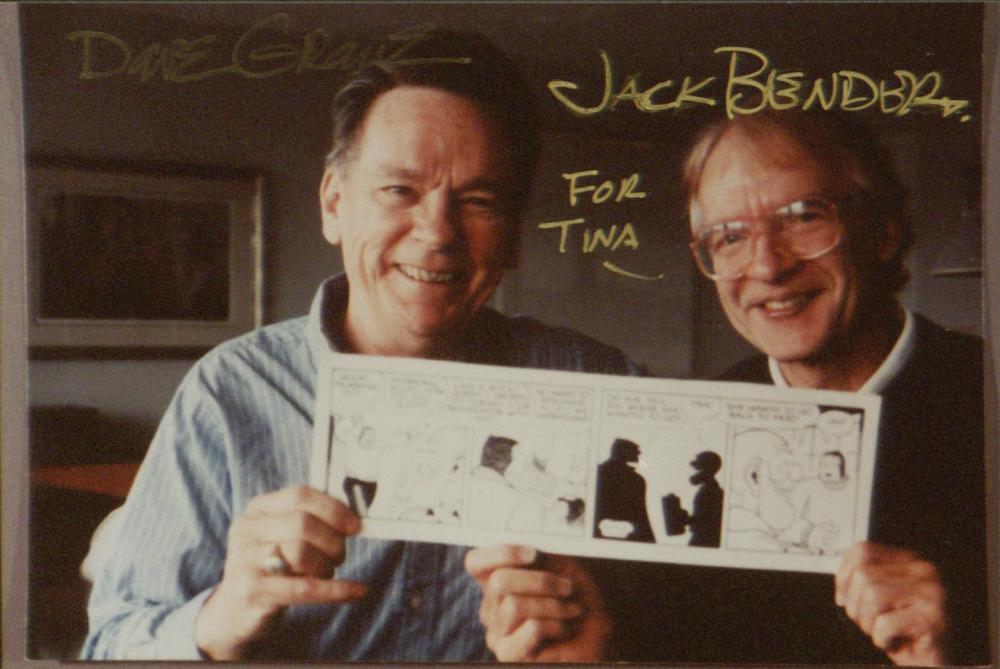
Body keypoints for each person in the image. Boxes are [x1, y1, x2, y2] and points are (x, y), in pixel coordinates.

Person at [81, 31, 639, 661]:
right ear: (334, 204)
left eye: (479, 202)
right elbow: (110, 645)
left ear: (512, 238)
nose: (438, 233)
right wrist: (221, 617)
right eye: (400, 190)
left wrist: (609, 645)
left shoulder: (600, 384)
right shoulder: (228, 395)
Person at [472, 111, 988, 665]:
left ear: (883, 232)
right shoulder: (697, 432)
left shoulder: (986, 394)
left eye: (804, 217)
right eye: (731, 237)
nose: (766, 266)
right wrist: (595, 649)